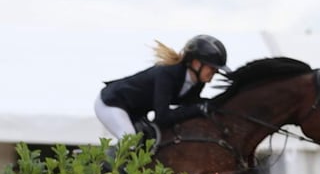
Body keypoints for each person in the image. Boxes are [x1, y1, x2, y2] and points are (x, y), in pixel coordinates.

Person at [94, 34, 229, 141]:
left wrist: (214, 104)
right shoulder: (167, 73)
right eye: (211, 68)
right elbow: (162, 118)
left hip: (136, 112)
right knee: (131, 141)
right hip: (112, 103)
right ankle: (103, 169)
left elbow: (191, 104)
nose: (214, 72)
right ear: (196, 63)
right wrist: (199, 108)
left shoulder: (197, 81)